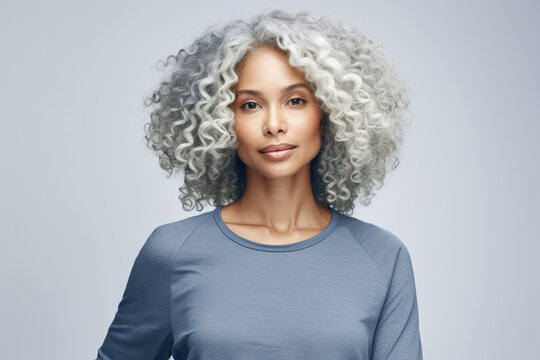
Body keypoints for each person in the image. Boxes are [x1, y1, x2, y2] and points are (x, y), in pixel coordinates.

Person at [95, 9, 422, 360]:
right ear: (221, 121)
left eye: (295, 100)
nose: (274, 124)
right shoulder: (172, 252)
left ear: (326, 114)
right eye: (250, 105)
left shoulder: (382, 257)